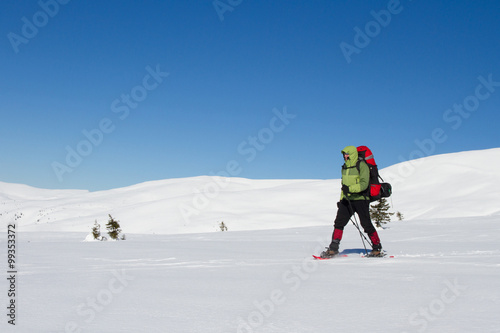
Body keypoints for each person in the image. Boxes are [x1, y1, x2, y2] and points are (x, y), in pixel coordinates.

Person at [321, 145, 382, 258]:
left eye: (347, 153)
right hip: (347, 199)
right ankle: (333, 248)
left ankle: (377, 247)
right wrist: (341, 200)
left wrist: (351, 189)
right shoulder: (344, 167)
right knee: (339, 222)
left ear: (353, 154)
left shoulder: (362, 165)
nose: (345, 156)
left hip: (361, 199)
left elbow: (364, 184)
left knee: (366, 224)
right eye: (344, 154)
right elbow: (343, 186)